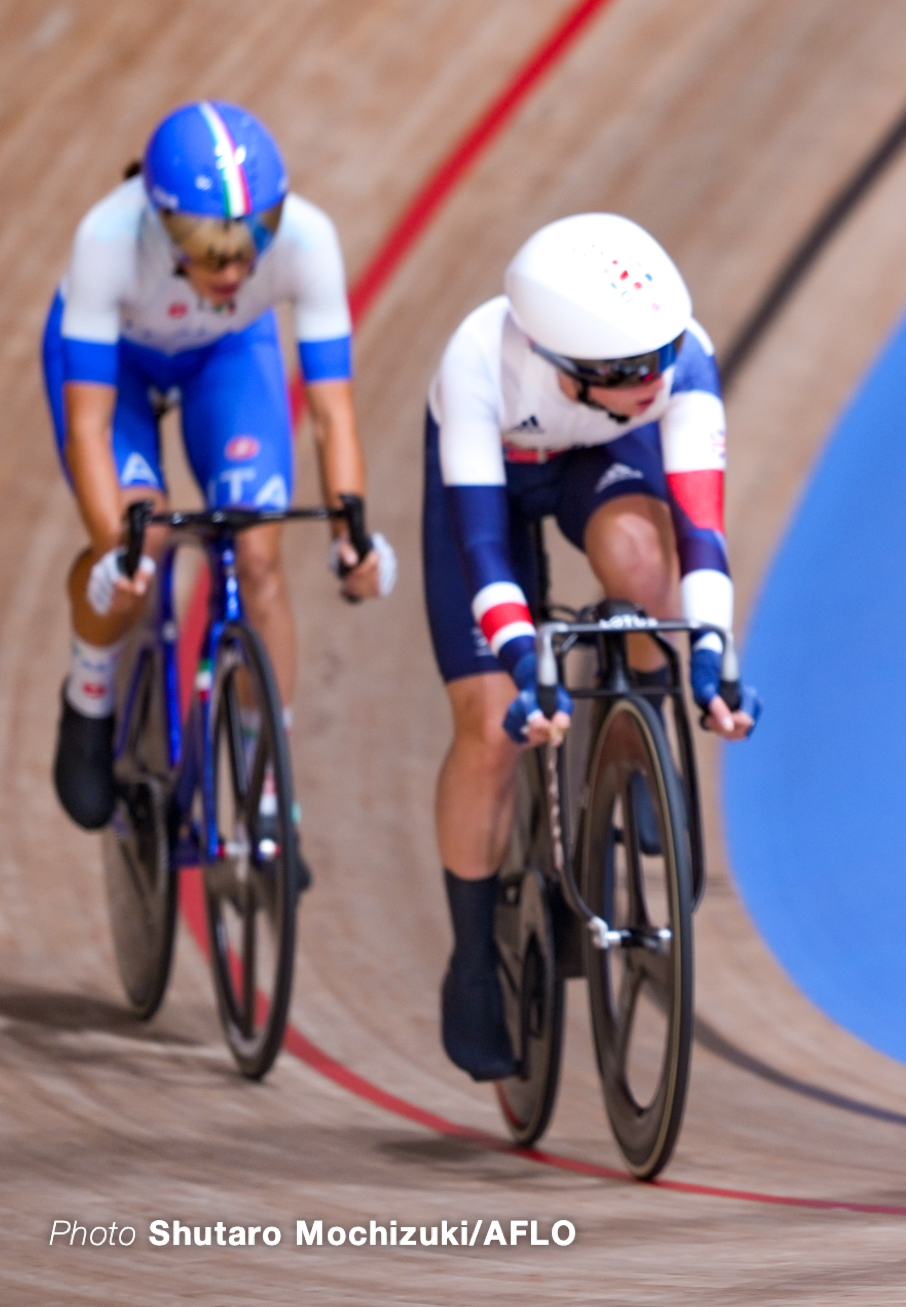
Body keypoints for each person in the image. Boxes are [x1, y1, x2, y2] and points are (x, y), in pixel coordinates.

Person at [424, 212, 757, 1080]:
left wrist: (711, 658)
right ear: (566, 371)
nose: (656, 379)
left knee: (647, 561)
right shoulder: (477, 362)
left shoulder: (683, 359)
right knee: (492, 723)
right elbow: (484, 553)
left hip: (594, 464)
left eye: (662, 359)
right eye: (629, 372)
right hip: (491, 481)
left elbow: (702, 532)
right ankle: (470, 961)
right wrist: (519, 661)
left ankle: (638, 730)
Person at [47, 100, 391, 833]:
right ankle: (88, 693)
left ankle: (268, 782)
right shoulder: (105, 240)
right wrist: (118, 546)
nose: (236, 268)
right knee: (145, 546)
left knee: (259, 557)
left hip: (227, 359)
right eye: (211, 253)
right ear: (164, 231)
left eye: (251, 246)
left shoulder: (307, 239)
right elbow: (90, 422)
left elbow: (333, 413)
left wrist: (352, 529)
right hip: (122, 371)